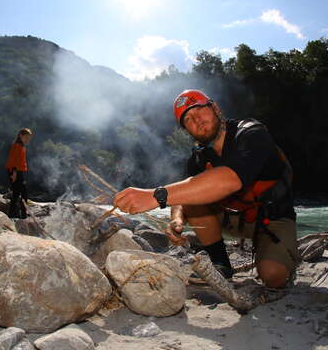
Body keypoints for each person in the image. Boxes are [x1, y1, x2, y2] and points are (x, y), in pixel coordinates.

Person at [113, 89, 300, 289]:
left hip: (272, 219)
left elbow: (230, 179)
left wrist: (156, 196)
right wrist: (176, 220)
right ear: (187, 131)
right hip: (233, 218)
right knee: (191, 198)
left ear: (215, 108)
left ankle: (284, 256)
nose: (197, 120)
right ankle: (221, 265)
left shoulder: (251, 134)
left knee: (272, 275)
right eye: (189, 120)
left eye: (200, 110)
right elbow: (182, 198)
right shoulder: (198, 159)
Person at [5, 128, 33, 219]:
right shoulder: (17, 146)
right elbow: (14, 160)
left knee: (17, 193)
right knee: (23, 193)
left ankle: (13, 215)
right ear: (20, 136)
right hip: (15, 172)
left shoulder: (21, 146)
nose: (27, 140)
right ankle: (23, 215)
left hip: (18, 171)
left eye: (29, 138)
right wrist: (14, 173)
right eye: (26, 137)